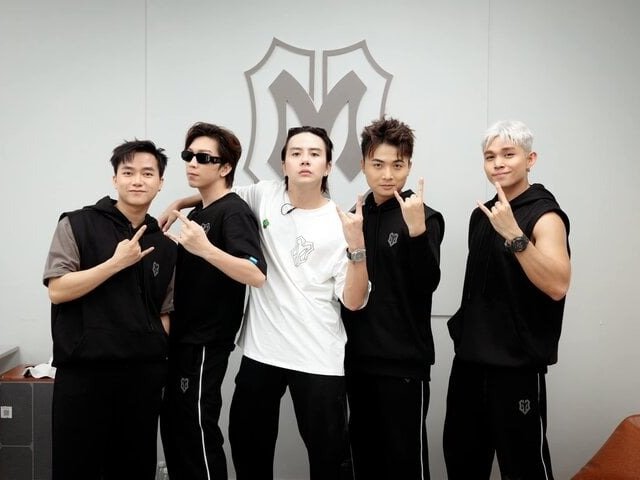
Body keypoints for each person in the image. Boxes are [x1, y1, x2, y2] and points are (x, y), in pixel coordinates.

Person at [160, 126, 369, 480]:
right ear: (284, 164)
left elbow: (353, 301)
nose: (305, 160)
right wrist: (179, 202)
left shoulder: (340, 223)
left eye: (314, 154)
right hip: (263, 353)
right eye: (296, 153)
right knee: (248, 452)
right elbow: (218, 193)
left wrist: (357, 248)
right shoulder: (263, 194)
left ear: (328, 166)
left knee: (330, 461)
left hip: (318, 356)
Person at [443, 120, 571, 480]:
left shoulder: (546, 215)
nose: (498, 163)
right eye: (490, 156)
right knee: (462, 464)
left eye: (508, 154)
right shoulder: (483, 214)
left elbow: (557, 284)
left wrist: (514, 234)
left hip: (516, 369)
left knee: (524, 468)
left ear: (530, 159)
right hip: (470, 365)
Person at [42, 140, 176, 480]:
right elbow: (58, 290)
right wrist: (115, 264)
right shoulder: (77, 224)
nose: (137, 181)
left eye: (147, 173)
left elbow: (165, 310)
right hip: (84, 374)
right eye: (128, 172)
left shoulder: (165, 244)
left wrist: (154, 346)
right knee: (76, 469)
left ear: (160, 182)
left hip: (142, 378)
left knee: (134, 470)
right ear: (115, 179)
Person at [160, 122, 267, 480]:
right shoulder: (199, 213)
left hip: (205, 342)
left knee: (196, 430)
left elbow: (255, 272)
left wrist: (204, 249)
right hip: (182, 339)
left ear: (225, 168)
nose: (192, 163)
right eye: (188, 155)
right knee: (176, 427)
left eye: (204, 158)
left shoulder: (233, 212)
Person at [341, 117, 444, 479]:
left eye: (397, 165)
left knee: (405, 465)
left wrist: (416, 231)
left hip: (403, 363)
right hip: (356, 360)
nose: (388, 175)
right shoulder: (353, 218)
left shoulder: (425, 217)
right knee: (364, 460)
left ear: (409, 166)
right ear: (363, 165)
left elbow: (427, 283)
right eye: (378, 164)